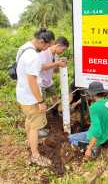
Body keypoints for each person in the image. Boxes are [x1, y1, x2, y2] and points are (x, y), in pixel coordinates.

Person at [16, 28, 55, 167]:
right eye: (47, 46)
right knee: (35, 126)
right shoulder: (33, 56)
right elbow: (32, 80)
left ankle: (29, 142)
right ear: (41, 41)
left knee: (29, 120)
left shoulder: (24, 47)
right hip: (31, 97)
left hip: (22, 93)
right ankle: (35, 156)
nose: (46, 49)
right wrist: (41, 101)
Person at [69, 81, 108, 159]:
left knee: (69, 139)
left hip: (98, 138)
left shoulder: (94, 107)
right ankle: (96, 145)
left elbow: (97, 131)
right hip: (106, 134)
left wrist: (89, 149)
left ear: (93, 94)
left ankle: (91, 148)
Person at [39, 36, 69, 101]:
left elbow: (55, 71)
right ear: (58, 45)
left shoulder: (56, 55)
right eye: (63, 49)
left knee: (55, 98)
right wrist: (57, 63)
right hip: (40, 83)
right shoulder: (44, 52)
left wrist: (60, 65)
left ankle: (55, 109)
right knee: (42, 103)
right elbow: (41, 67)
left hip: (49, 82)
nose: (62, 52)